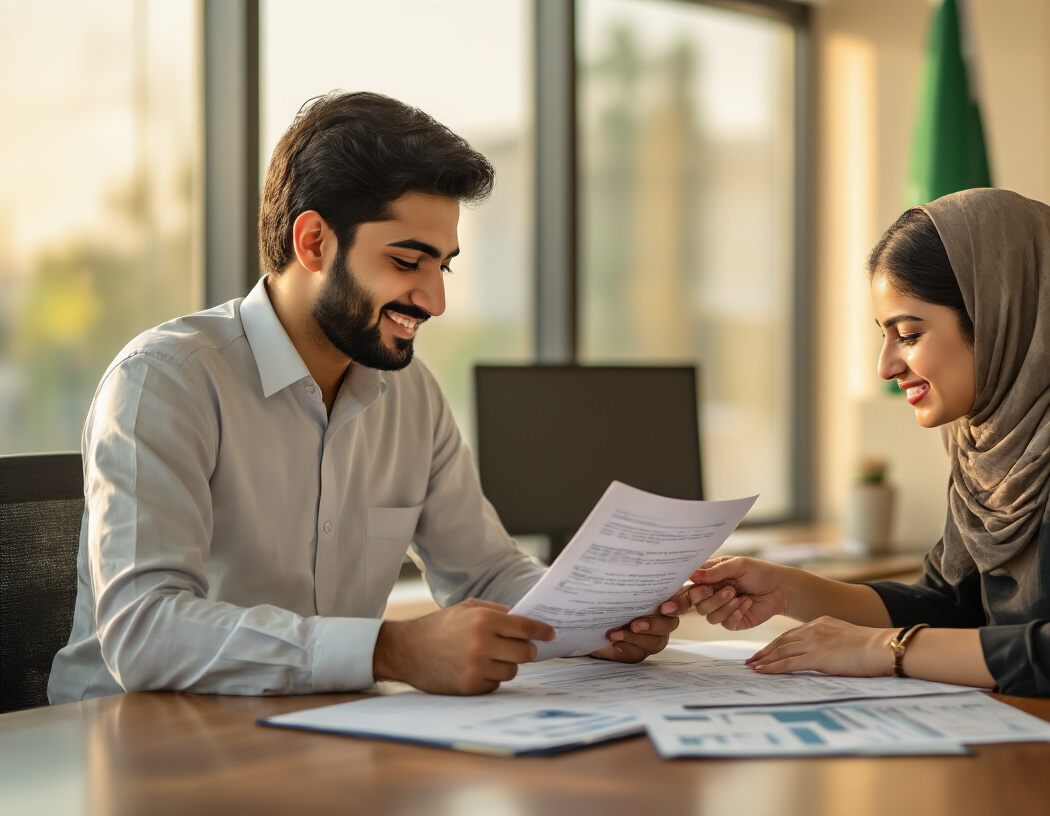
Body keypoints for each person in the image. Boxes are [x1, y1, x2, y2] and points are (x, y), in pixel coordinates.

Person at [49, 91, 682, 704]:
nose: (434, 300)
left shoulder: (412, 395)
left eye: (445, 266)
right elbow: (144, 631)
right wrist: (389, 650)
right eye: (409, 261)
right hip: (138, 749)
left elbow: (487, 574)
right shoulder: (165, 381)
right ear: (315, 243)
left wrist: (596, 622)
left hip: (318, 734)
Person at [678, 188, 1050, 739]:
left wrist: (889, 649)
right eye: (885, 336)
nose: (886, 366)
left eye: (908, 333)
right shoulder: (993, 434)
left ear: (997, 312)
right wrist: (789, 591)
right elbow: (951, 603)